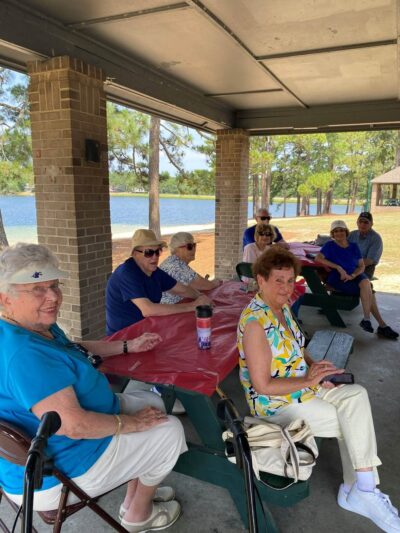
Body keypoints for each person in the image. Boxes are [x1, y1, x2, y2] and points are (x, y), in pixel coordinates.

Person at [0, 243, 187, 532]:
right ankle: (138, 514)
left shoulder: (34, 326)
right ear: (5, 299)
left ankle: (139, 482)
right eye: (37, 289)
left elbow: (71, 349)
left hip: (60, 445)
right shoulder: (24, 354)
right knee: (170, 430)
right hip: (57, 471)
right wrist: (130, 424)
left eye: (55, 285)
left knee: (156, 406)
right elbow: (74, 425)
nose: (52, 297)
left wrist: (127, 346)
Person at [237, 247, 400, 533]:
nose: (286, 288)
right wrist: (309, 381)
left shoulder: (282, 307)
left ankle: (361, 490)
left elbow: (297, 347)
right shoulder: (255, 323)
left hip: (303, 385)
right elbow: (263, 385)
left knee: (357, 395)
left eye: (291, 281)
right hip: (275, 403)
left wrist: (316, 366)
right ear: (260, 280)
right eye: (279, 281)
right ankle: (361, 491)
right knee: (351, 422)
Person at [106, 229, 211, 335]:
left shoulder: (154, 271)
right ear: (134, 254)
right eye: (149, 253)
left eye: (158, 251)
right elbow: (148, 310)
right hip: (123, 336)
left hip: (146, 330)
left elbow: (181, 290)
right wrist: (193, 306)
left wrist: (200, 296)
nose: (155, 257)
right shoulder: (127, 273)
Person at [315, 220, 398, 339]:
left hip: (354, 275)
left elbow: (361, 266)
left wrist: (353, 275)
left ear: (346, 232)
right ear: (333, 234)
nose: (339, 233)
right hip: (340, 278)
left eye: (342, 230)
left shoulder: (353, 246)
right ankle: (380, 325)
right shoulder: (329, 246)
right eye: (336, 231)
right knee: (369, 291)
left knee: (365, 282)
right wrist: (338, 267)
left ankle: (367, 319)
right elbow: (318, 258)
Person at [160, 232, 221, 304]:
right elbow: (207, 286)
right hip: (171, 309)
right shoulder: (178, 266)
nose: (194, 249)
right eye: (190, 246)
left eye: (194, 245)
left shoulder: (170, 261)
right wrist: (217, 282)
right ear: (178, 249)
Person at [348, 211, 383, 279]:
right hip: (349, 264)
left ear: (371, 224)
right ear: (357, 223)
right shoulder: (351, 234)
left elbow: (369, 261)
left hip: (366, 268)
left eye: (366, 222)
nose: (362, 224)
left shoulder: (376, 239)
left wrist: (348, 263)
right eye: (360, 221)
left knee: (352, 281)